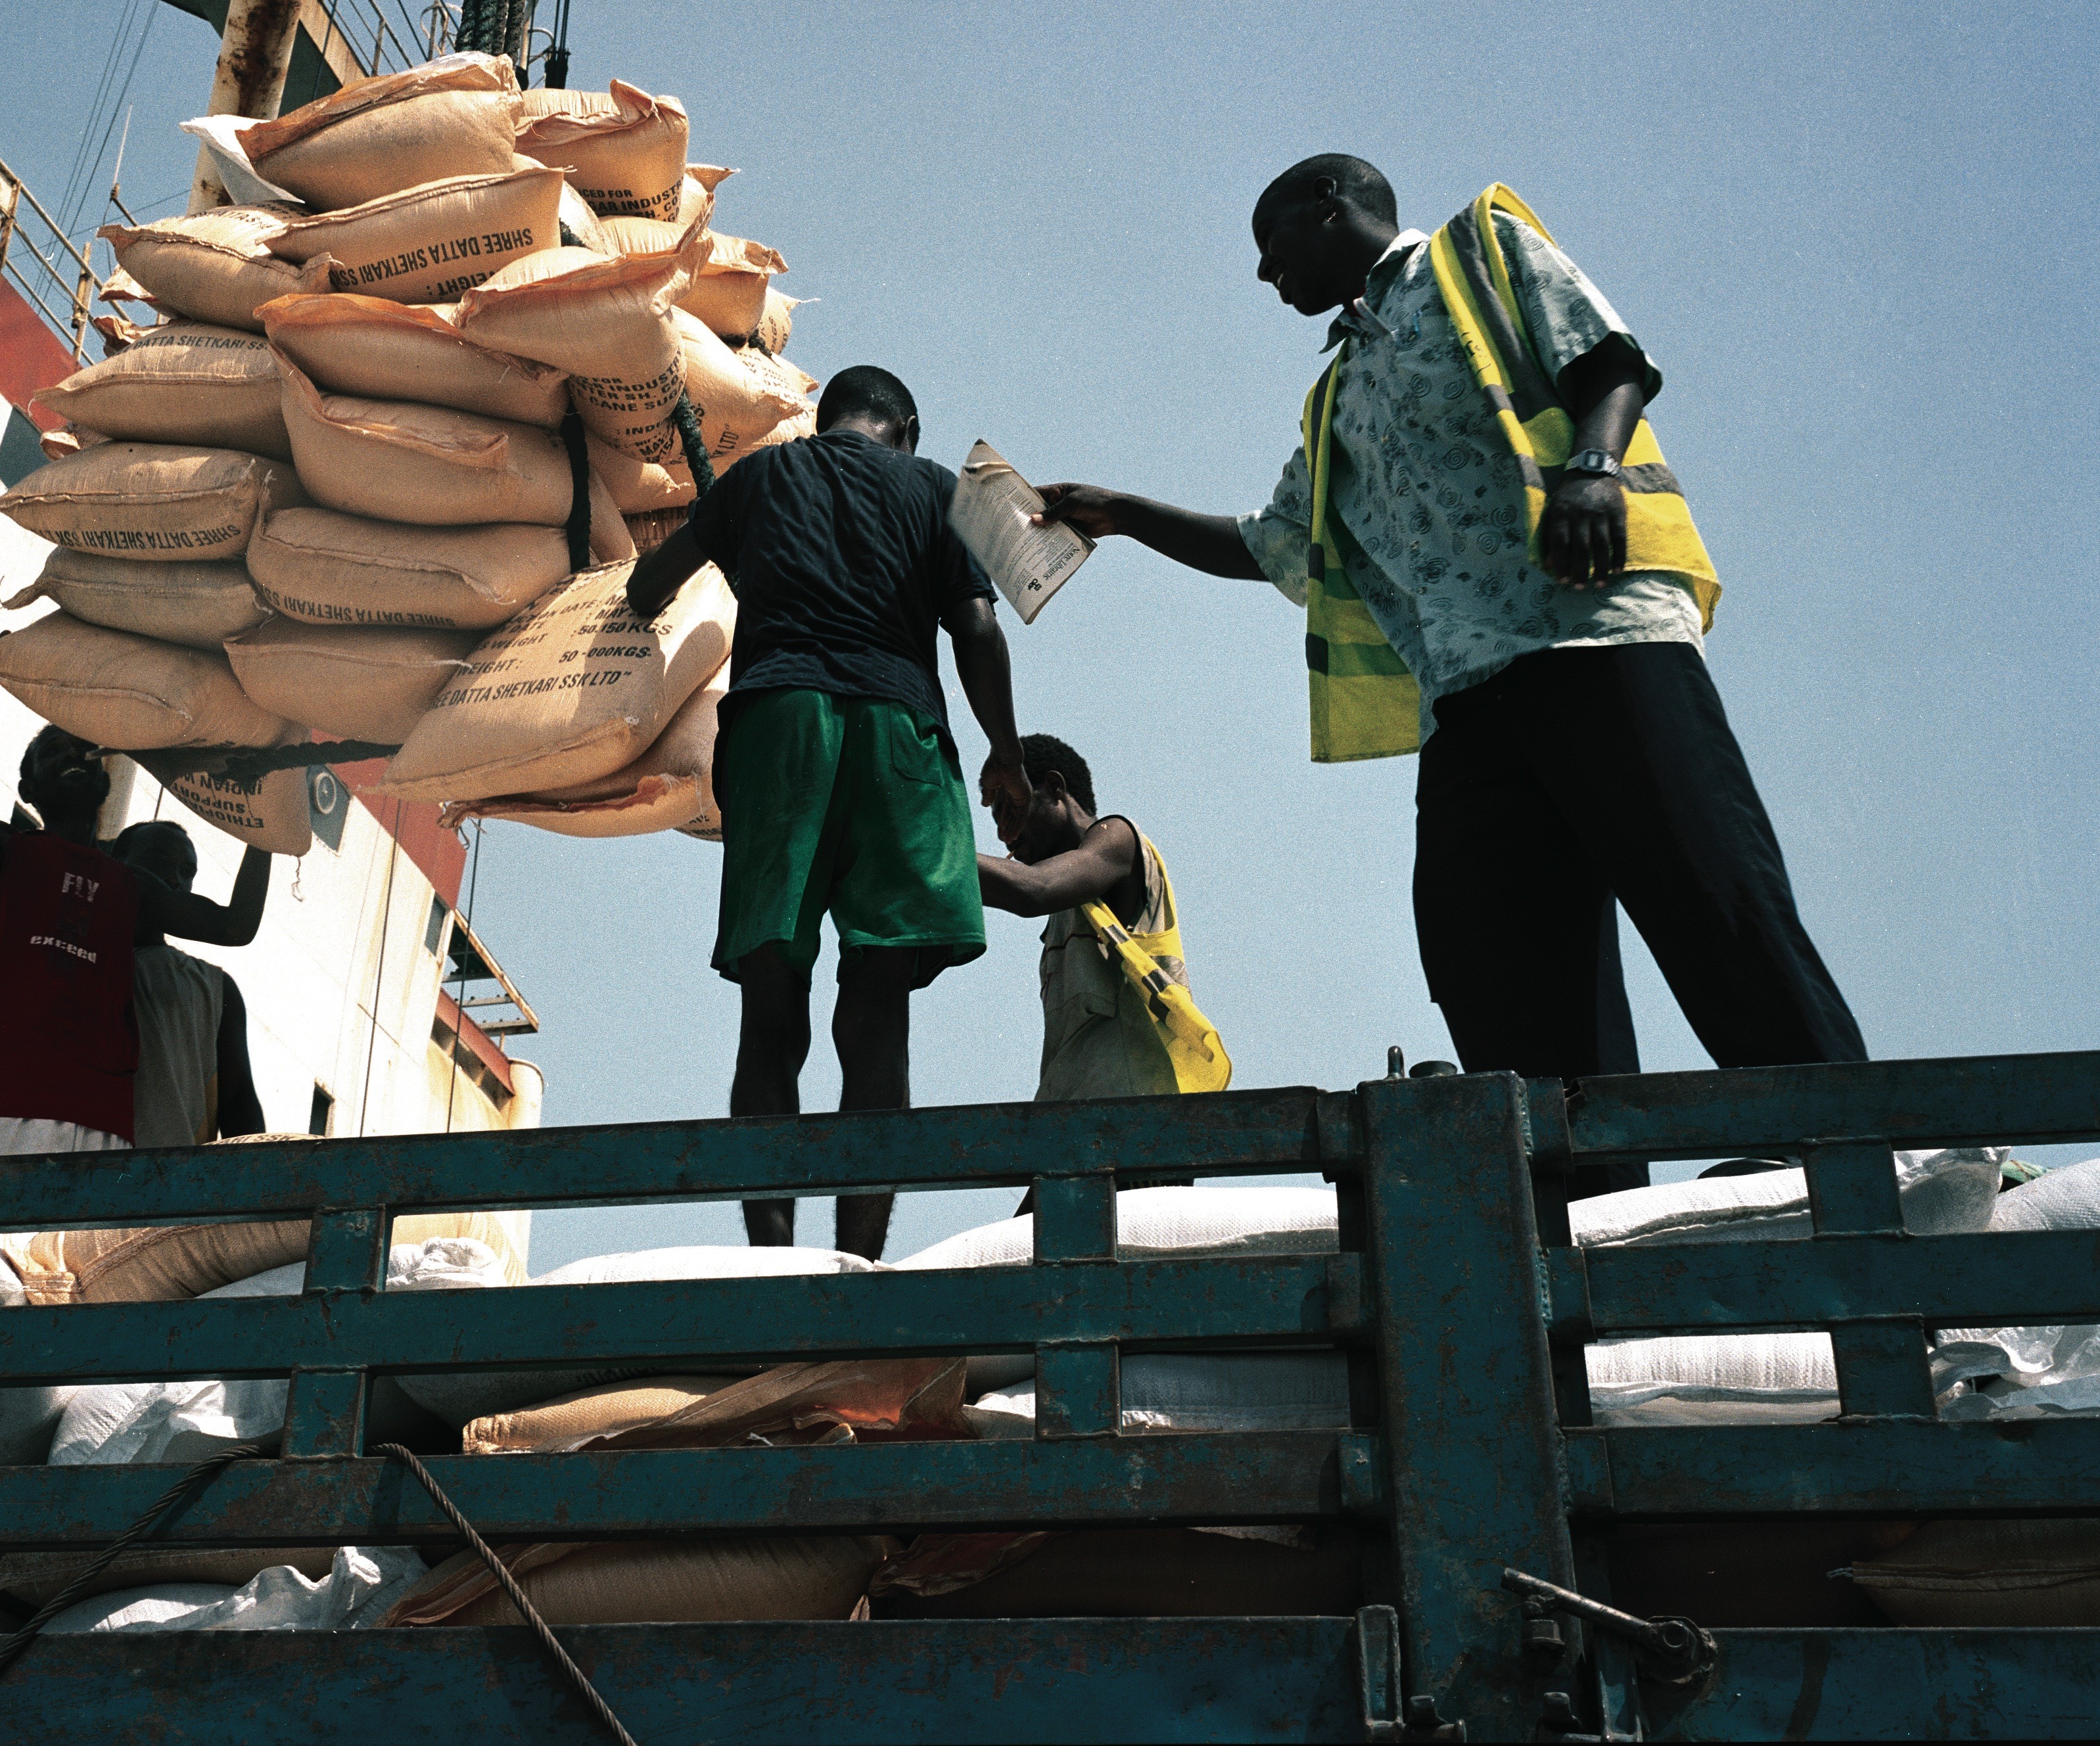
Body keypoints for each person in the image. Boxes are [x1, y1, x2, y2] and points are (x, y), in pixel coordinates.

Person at [1036, 158, 1863, 1122]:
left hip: (1597, 642)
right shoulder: (1337, 393)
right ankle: (1583, 1208)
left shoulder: (1479, 254)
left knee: (1713, 901)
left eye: (1273, 247)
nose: (1267, 275)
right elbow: (1273, 545)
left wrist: (1594, 468)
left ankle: (1856, 1145)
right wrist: (1125, 514)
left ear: (1329, 203)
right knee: (1492, 956)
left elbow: (1609, 358)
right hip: (1468, 701)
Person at [626, 365, 1027, 1257]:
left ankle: (772, 1258)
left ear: (830, 418)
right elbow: (976, 627)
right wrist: (1004, 744)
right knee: (878, 1010)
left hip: (780, 728)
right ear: (906, 427)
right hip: (898, 735)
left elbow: (653, 587)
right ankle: (859, 1259)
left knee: (771, 1003)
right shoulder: (934, 489)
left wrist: (675, 576)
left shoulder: (760, 480)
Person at [0, 606, 279, 1157]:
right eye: (51, 750)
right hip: (3, 1102)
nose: (70, 753)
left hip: (103, 1125)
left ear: (105, 782)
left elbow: (235, 925)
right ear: (28, 787)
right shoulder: (7, 850)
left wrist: (268, 813)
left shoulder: (130, 887)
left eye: (82, 750)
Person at [974, 731, 1196, 1111]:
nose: (1002, 834)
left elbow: (1035, 889)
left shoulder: (1119, 839)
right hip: (1070, 1125)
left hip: (1140, 1123)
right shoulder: (1066, 913)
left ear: (1054, 787)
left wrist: (932, 851)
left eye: (1009, 808)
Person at [108, 819, 269, 1149]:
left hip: (169, 1184)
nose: (173, 880)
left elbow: (239, 1106)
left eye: (187, 871)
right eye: (157, 861)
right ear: (117, 863)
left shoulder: (216, 988)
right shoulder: (76, 953)